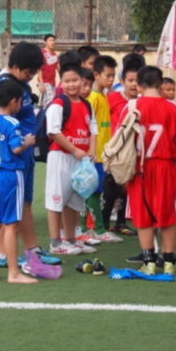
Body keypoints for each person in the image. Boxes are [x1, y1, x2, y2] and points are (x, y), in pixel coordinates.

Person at [0, 42, 60, 265]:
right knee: (7, 208)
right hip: (12, 159)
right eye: (28, 72)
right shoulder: (2, 87)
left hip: (24, 155)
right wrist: (20, 143)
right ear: (16, 66)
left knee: (24, 202)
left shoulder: (19, 84)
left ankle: (32, 250)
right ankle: (1, 255)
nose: (31, 77)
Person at [122, 66, 176, 275]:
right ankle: (170, 263)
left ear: (140, 85)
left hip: (139, 167)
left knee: (143, 214)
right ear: (161, 85)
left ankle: (149, 262)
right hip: (165, 166)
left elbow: (119, 140)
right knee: (168, 214)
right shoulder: (172, 109)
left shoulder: (131, 107)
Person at [0, 78, 38, 284]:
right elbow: (15, 147)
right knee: (12, 225)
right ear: (14, 102)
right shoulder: (13, 123)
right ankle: (14, 273)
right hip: (11, 175)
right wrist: (27, 142)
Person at [45, 63, 98, 255]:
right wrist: (75, 149)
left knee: (74, 202)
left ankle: (71, 240)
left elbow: (93, 130)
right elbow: (53, 131)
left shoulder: (86, 105)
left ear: (82, 81)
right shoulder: (58, 104)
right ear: (61, 82)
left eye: (75, 80)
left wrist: (91, 150)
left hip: (80, 160)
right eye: (66, 81)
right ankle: (56, 244)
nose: (71, 85)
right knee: (56, 200)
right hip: (61, 157)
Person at [84, 55, 123, 243]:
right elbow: (87, 124)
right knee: (93, 192)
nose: (111, 79)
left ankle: (89, 228)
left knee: (95, 191)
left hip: (102, 154)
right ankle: (96, 229)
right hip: (95, 154)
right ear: (96, 75)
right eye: (108, 75)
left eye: (113, 76)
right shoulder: (93, 97)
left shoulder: (103, 96)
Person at [106, 58, 142, 236]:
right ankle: (104, 224)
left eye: (137, 81)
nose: (134, 84)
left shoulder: (144, 102)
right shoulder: (112, 98)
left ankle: (120, 222)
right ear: (122, 82)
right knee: (111, 186)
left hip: (134, 150)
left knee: (126, 186)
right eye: (130, 81)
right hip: (115, 149)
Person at [38, 34, 59, 108]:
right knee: (49, 102)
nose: (52, 42)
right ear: (45, 42)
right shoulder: (41, 53)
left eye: (53, 40)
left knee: (51, 100)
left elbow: (58, 68)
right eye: (50, 40)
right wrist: (41, 83)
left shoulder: (55, 55)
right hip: (45, 82)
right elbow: (39, 69)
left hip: (52, 82)